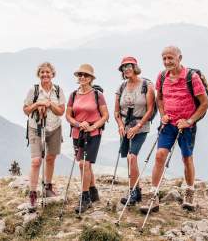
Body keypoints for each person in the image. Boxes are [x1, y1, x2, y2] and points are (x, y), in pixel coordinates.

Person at [139, 46, 208, 213]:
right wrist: (162, 115)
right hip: (168, 124)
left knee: (187, 159)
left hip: (186, 126)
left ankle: (190, 191)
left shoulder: (192, 77)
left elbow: (205, 103)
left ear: (180, 58)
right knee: (159, 155)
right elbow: (159, 98)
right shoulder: (162, 76)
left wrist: (189, 121)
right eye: (164, 58)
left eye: (170, 58)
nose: (167, 61)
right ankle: (153, 194)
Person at [66, 64, 109, 213]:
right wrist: (78, 124)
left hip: (93, 133)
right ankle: (93, 191)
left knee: (83, 164)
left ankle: (85, 198)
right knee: (86, 165)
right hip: (78, 133)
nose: (82, 77)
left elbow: (105, 115)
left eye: (86, 75)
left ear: (91, 78)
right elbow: (68, 116)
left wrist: (93, 126)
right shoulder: (73, 95)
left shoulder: (97, 95)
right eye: (80, 75)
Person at [23, 62, 66, 211]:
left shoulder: (58, 91)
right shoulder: (33, 90)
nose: (45, 75)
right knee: (36, 161)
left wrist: (48, 104)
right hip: (36, 127)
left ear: (52, 74)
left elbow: (61, 111)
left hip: (54, 127)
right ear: (39, 74)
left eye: (48, 72)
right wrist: (37, 104)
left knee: (50, 158)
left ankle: (48, 187)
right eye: (42, 72)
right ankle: (33, 193)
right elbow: (26, 110)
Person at [114, 56, 155, 205]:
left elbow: (150, 110)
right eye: (124, 67)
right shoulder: (121, 87)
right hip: (125, 126)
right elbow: (116, 112)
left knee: (132, 157)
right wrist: (119, 125)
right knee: (130, 158)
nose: (126, 69)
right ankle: (136, 190)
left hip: (141, 126)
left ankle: (132, 191)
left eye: (129, 66)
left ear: (135, 67)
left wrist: (138, 126)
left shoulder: (147, 85)